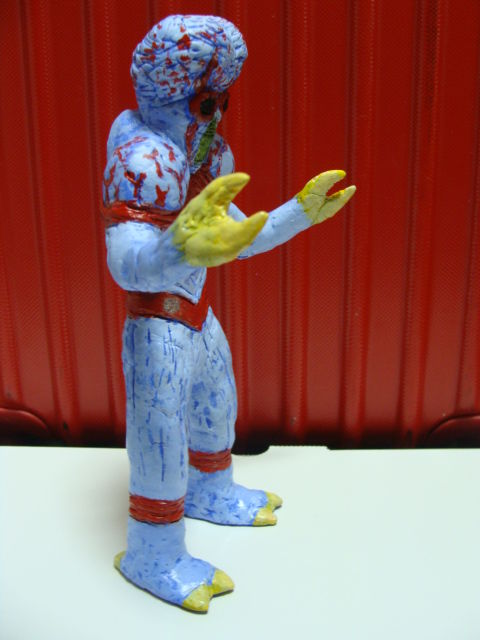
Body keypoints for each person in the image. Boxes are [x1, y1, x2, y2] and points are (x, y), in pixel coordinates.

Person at [102, 14, 355, 612]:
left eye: (221, 97)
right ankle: (153, 554)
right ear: (185, 92)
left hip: (197, 311)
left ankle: (211, 490)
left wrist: (298, 213)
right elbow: (126, 262)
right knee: (160, 436)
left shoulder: (203, 156)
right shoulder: (144, 157)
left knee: (217, 405)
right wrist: (176, 248)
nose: (216, 113)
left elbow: (240, 237)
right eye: (209, 98)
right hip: (157, 322)